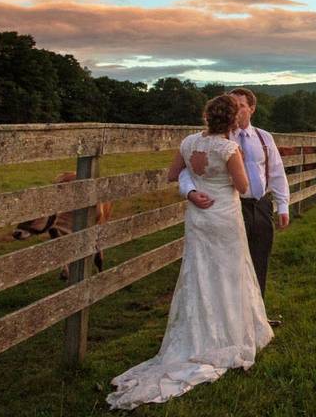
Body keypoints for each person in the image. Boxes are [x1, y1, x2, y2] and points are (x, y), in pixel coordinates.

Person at [107, 95, 274, 410]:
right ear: (231, 121)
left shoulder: (187, 143)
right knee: (229, 271)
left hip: (199, 218)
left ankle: (198, 332)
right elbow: (242, 186)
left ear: (207, 116)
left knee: (199, 271)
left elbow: (174, 174)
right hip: (224, 216)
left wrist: (194, 188)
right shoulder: (228, 149)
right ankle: (228, 334)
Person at [179, 88, 290, 306]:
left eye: (240, 106)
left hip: (260, 205)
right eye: (232, 106)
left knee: (259, 259)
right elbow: (187, 170)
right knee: (230, 263)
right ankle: (229, 311)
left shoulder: (264, 137)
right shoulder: (217, 139)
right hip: (229, 207)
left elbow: (276, 171)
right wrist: (190, 192)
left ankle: (256, 312)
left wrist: (283, 205)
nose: (236, 112)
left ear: (252, 109)